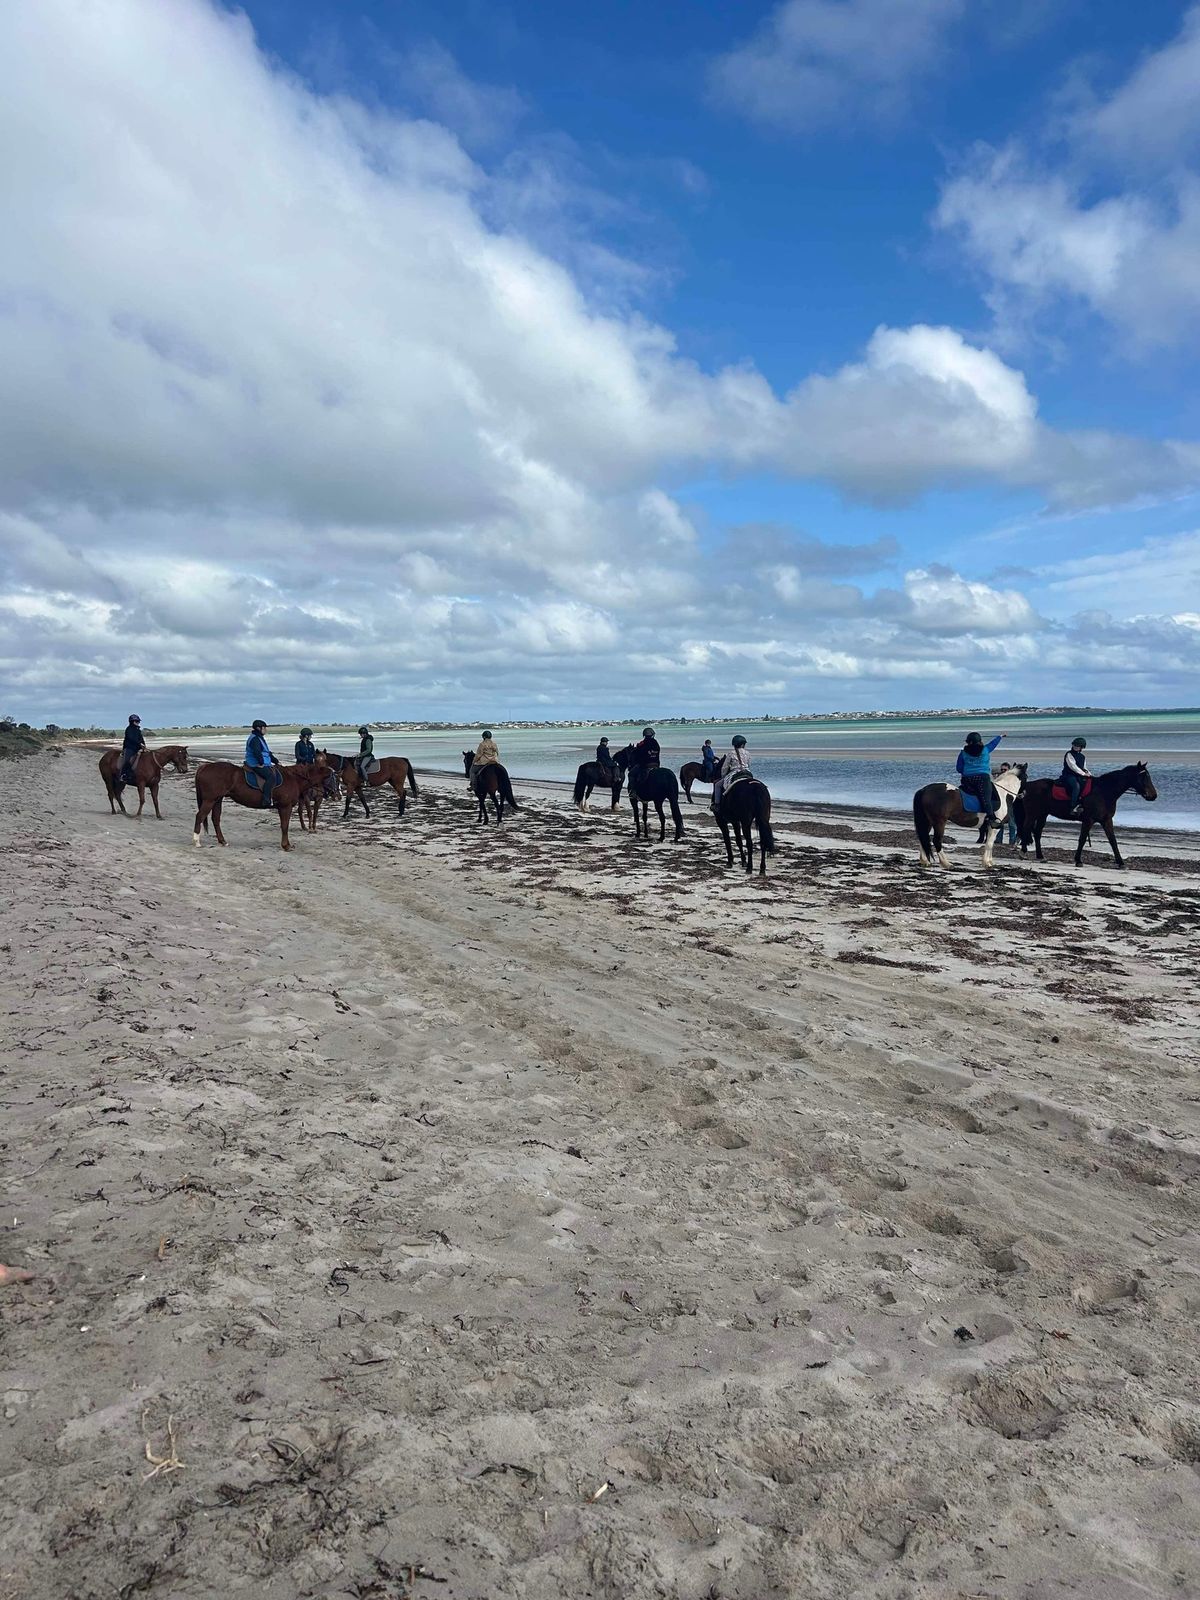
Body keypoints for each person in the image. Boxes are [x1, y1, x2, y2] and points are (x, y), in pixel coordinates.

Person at [956, 730, 1004, 827]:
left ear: (968, 742)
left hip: (967, 779)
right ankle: (991, 818)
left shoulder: (963, 753)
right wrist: (1000, 737)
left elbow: (959, 768)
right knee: (986, 798)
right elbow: (993, 744)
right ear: (980, 741)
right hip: (983, 778)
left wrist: (967, 772)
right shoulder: (985, 749)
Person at [713, 734, 751, 813]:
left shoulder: (731, 753)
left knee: (717, 785)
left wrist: (723, 776)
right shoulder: (747, 753)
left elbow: (724, 767)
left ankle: (717, 804)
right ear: (743, 744)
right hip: (747, 772)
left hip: (735, 772)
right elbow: (749, 764)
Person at [1061, 737, 1092, 818]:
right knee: (1076, 786)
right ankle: (1073, 807)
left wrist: (1089, 774)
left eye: (1077, 746)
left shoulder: (1082, 756)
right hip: (1069, 775)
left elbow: (1084, 767)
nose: (1075, 746)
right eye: (1074, 745)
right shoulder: (1069, 754)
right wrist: (1083, 774)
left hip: (1079, 775)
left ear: (1082, 747)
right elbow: (1073, 767)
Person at [118, 714, 145, 785]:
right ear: (132, 721)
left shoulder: (138, 730)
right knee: (127, 761)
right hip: (129, 748)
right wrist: (139, 744)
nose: (138, 722)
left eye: (138, 721)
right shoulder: (129, 729)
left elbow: (141, 739)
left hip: (137, 748)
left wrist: (144, 745)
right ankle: (123, 775)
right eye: (137, 721)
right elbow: (131, 739)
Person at [997, 762, 1020, 845]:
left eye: (1005, 770)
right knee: (1000, 822)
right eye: (1002, 769)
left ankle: (1012, 840)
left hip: (1010, 803)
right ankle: (999, 840)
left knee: (1011, 823)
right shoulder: (1000, 778)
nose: (1003, 771)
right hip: (1001, 803)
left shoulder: (1012, 779)